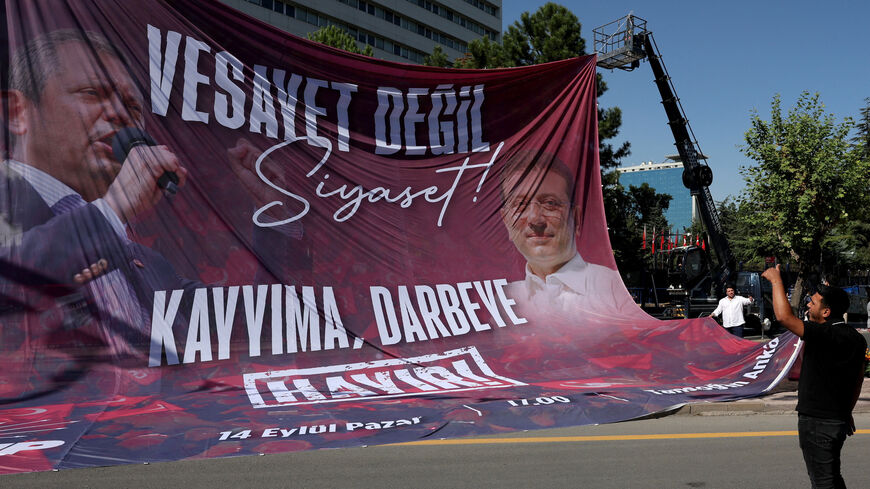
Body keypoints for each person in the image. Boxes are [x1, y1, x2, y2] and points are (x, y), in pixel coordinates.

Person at [0, 29, 287, 359]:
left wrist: (274, 212)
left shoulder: (149, 265)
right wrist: (112, 211)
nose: (122, 115)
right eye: (92, 93)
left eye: (133, 106)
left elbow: (266, 321)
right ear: (18, 113)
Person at [498, 152, 642, 318]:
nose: (535, 219)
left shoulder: (610, 289)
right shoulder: (503, 301)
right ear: (506, 222)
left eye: (550, 203)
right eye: (520, 206)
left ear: (577, 219)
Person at [762, 265, 866, 488]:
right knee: (831, 477)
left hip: (818, 423)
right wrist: (847, 411)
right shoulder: (856, 339)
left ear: (826, 312)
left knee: (823, 482)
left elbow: (783, 316)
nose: (809, 304)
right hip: (836, 419)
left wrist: (775, 280)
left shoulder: (824, 334)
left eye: (814, 302)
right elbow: (857, 381)